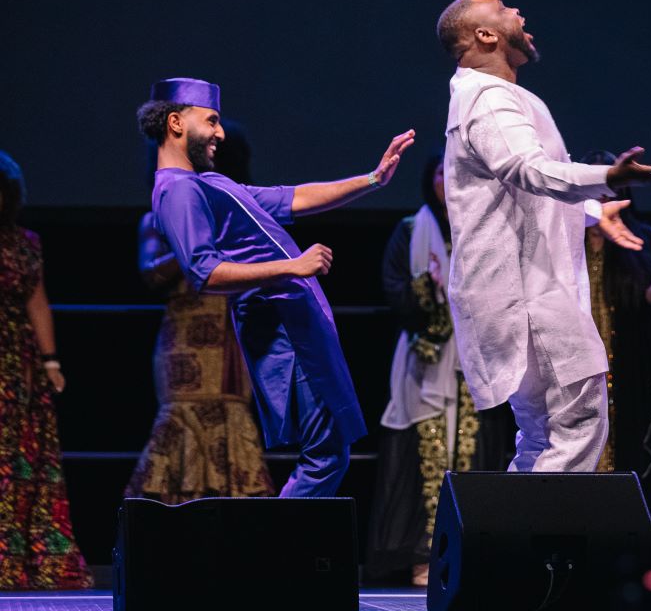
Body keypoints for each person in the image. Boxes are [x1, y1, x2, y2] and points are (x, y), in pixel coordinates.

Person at [437, 0, 651, 474]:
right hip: (529, 296)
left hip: (524, 291)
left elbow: (523, 190)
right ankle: (538, 543)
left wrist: (592, 211)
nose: (520, 14)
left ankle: (511, 543)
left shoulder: (494, 97)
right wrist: (609, 179)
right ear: (485, 35)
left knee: (544, 434)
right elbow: (528, 170)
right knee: (579, 420)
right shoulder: (487, 99)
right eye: (506, 9)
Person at [135, 77, 414, 497]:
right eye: (211, 121)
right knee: (325, 452)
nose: (220, 132)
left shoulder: (206, 183)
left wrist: (373, 179)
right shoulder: (176, 190)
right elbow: (203, 272)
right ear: (176, 123)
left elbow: (293, 198)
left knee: (329, 449)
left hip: (293, 320)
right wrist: (292, 267)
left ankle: (279, 552)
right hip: (281, 329)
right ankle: (277, 554)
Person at [365, 153, 513, 586]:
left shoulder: (485, 229)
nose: (446, 182)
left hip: (476, 356)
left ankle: (470, 554)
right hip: (424, 358)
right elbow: (395, 290)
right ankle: (423, 555)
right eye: (439, 174)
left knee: (472, 449)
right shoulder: (412, 231)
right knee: (426, 448)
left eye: (455, 175)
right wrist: (424, 288)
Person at [125, 121, 276, 503]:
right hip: (184, 339)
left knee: (231, 418)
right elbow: (150, 273)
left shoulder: (238, 214)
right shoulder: (159, 217)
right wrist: (190, 237)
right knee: (180, 418)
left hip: (230, 333)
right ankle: (165, 539)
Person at [0, 150, 93, 589]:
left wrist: (51, 360)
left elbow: (37, 302)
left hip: (17, 363)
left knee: (21, 457)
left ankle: (18, 555)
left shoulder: (26, 242)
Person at [581, 149, 651, 517]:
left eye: (609, 192)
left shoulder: (638, 236)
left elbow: (644, 305)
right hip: (575, 359)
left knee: (627, 441)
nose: (604, 201)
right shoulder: (563, 239)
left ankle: (616, 529)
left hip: (621, 362)